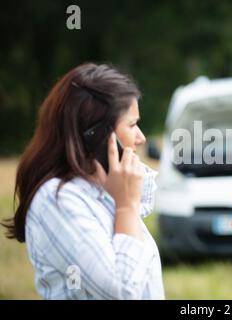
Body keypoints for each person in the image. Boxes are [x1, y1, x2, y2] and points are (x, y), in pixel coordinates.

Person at [1, 63, 164, 299]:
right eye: (131, 125)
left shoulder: (104, 193)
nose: (141, 137)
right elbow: (123, 292)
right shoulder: (57, 201)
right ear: (97, 138)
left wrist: (126, 198)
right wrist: (127, 206)